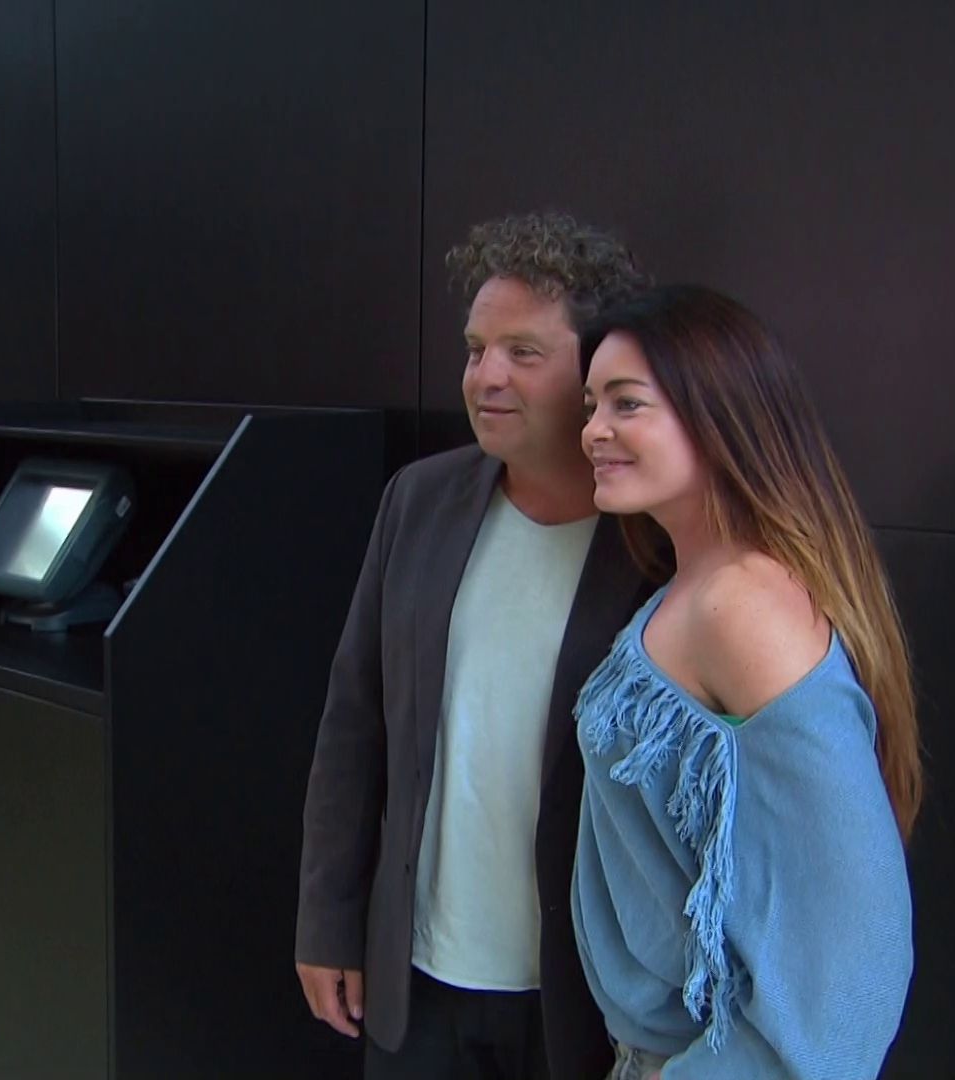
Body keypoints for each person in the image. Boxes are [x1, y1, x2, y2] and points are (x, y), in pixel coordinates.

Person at [296, 210, 656, 1080]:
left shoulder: (656, 542)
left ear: (595, 371)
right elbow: (354, 724)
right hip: (418, 981)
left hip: (578, 1000)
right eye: (475, 349)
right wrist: (328, 920)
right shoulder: (418, 502)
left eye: (523, 352)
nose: (486, 376)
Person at [570, 285, 921, 1080]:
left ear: (720, 413)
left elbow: (853, 963)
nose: (593, 429)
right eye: (591, 406)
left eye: (627, 403)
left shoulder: (743, 606)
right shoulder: (693, 584)